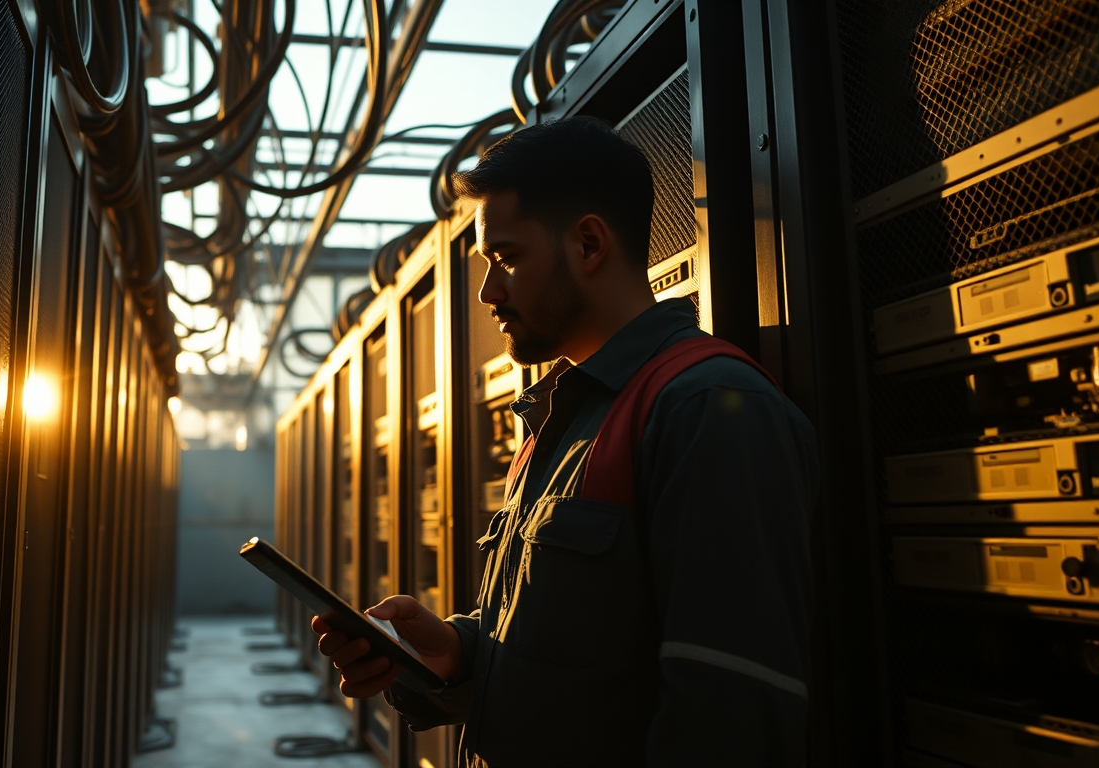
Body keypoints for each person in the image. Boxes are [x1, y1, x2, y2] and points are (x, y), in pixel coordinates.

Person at [312, 116, 817, 767]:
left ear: (587, 244)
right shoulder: (561, 418)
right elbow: (575, 664)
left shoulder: (705, 409)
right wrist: (455, 651)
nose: (489, 293)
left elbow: (731, 716)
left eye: (507, 258)